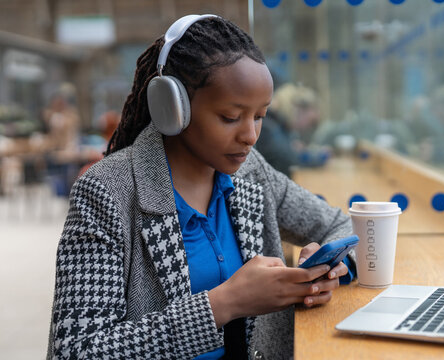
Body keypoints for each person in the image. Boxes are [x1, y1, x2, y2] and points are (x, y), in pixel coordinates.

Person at [47, 15, 354, 360]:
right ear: (172, 107)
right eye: (230, 117)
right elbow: (76, 351)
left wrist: (328, 269)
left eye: (259, 116)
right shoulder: (107, 193)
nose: (250, 136)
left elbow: (338, 225)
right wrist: (225, 303)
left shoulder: (251, 172)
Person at [256, 82, 330, 177]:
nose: (307, 128)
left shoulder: (278, 125)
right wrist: (319, 157)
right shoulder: (268, 126)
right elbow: (288, 158)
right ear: (299, 110)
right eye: (311, 122)